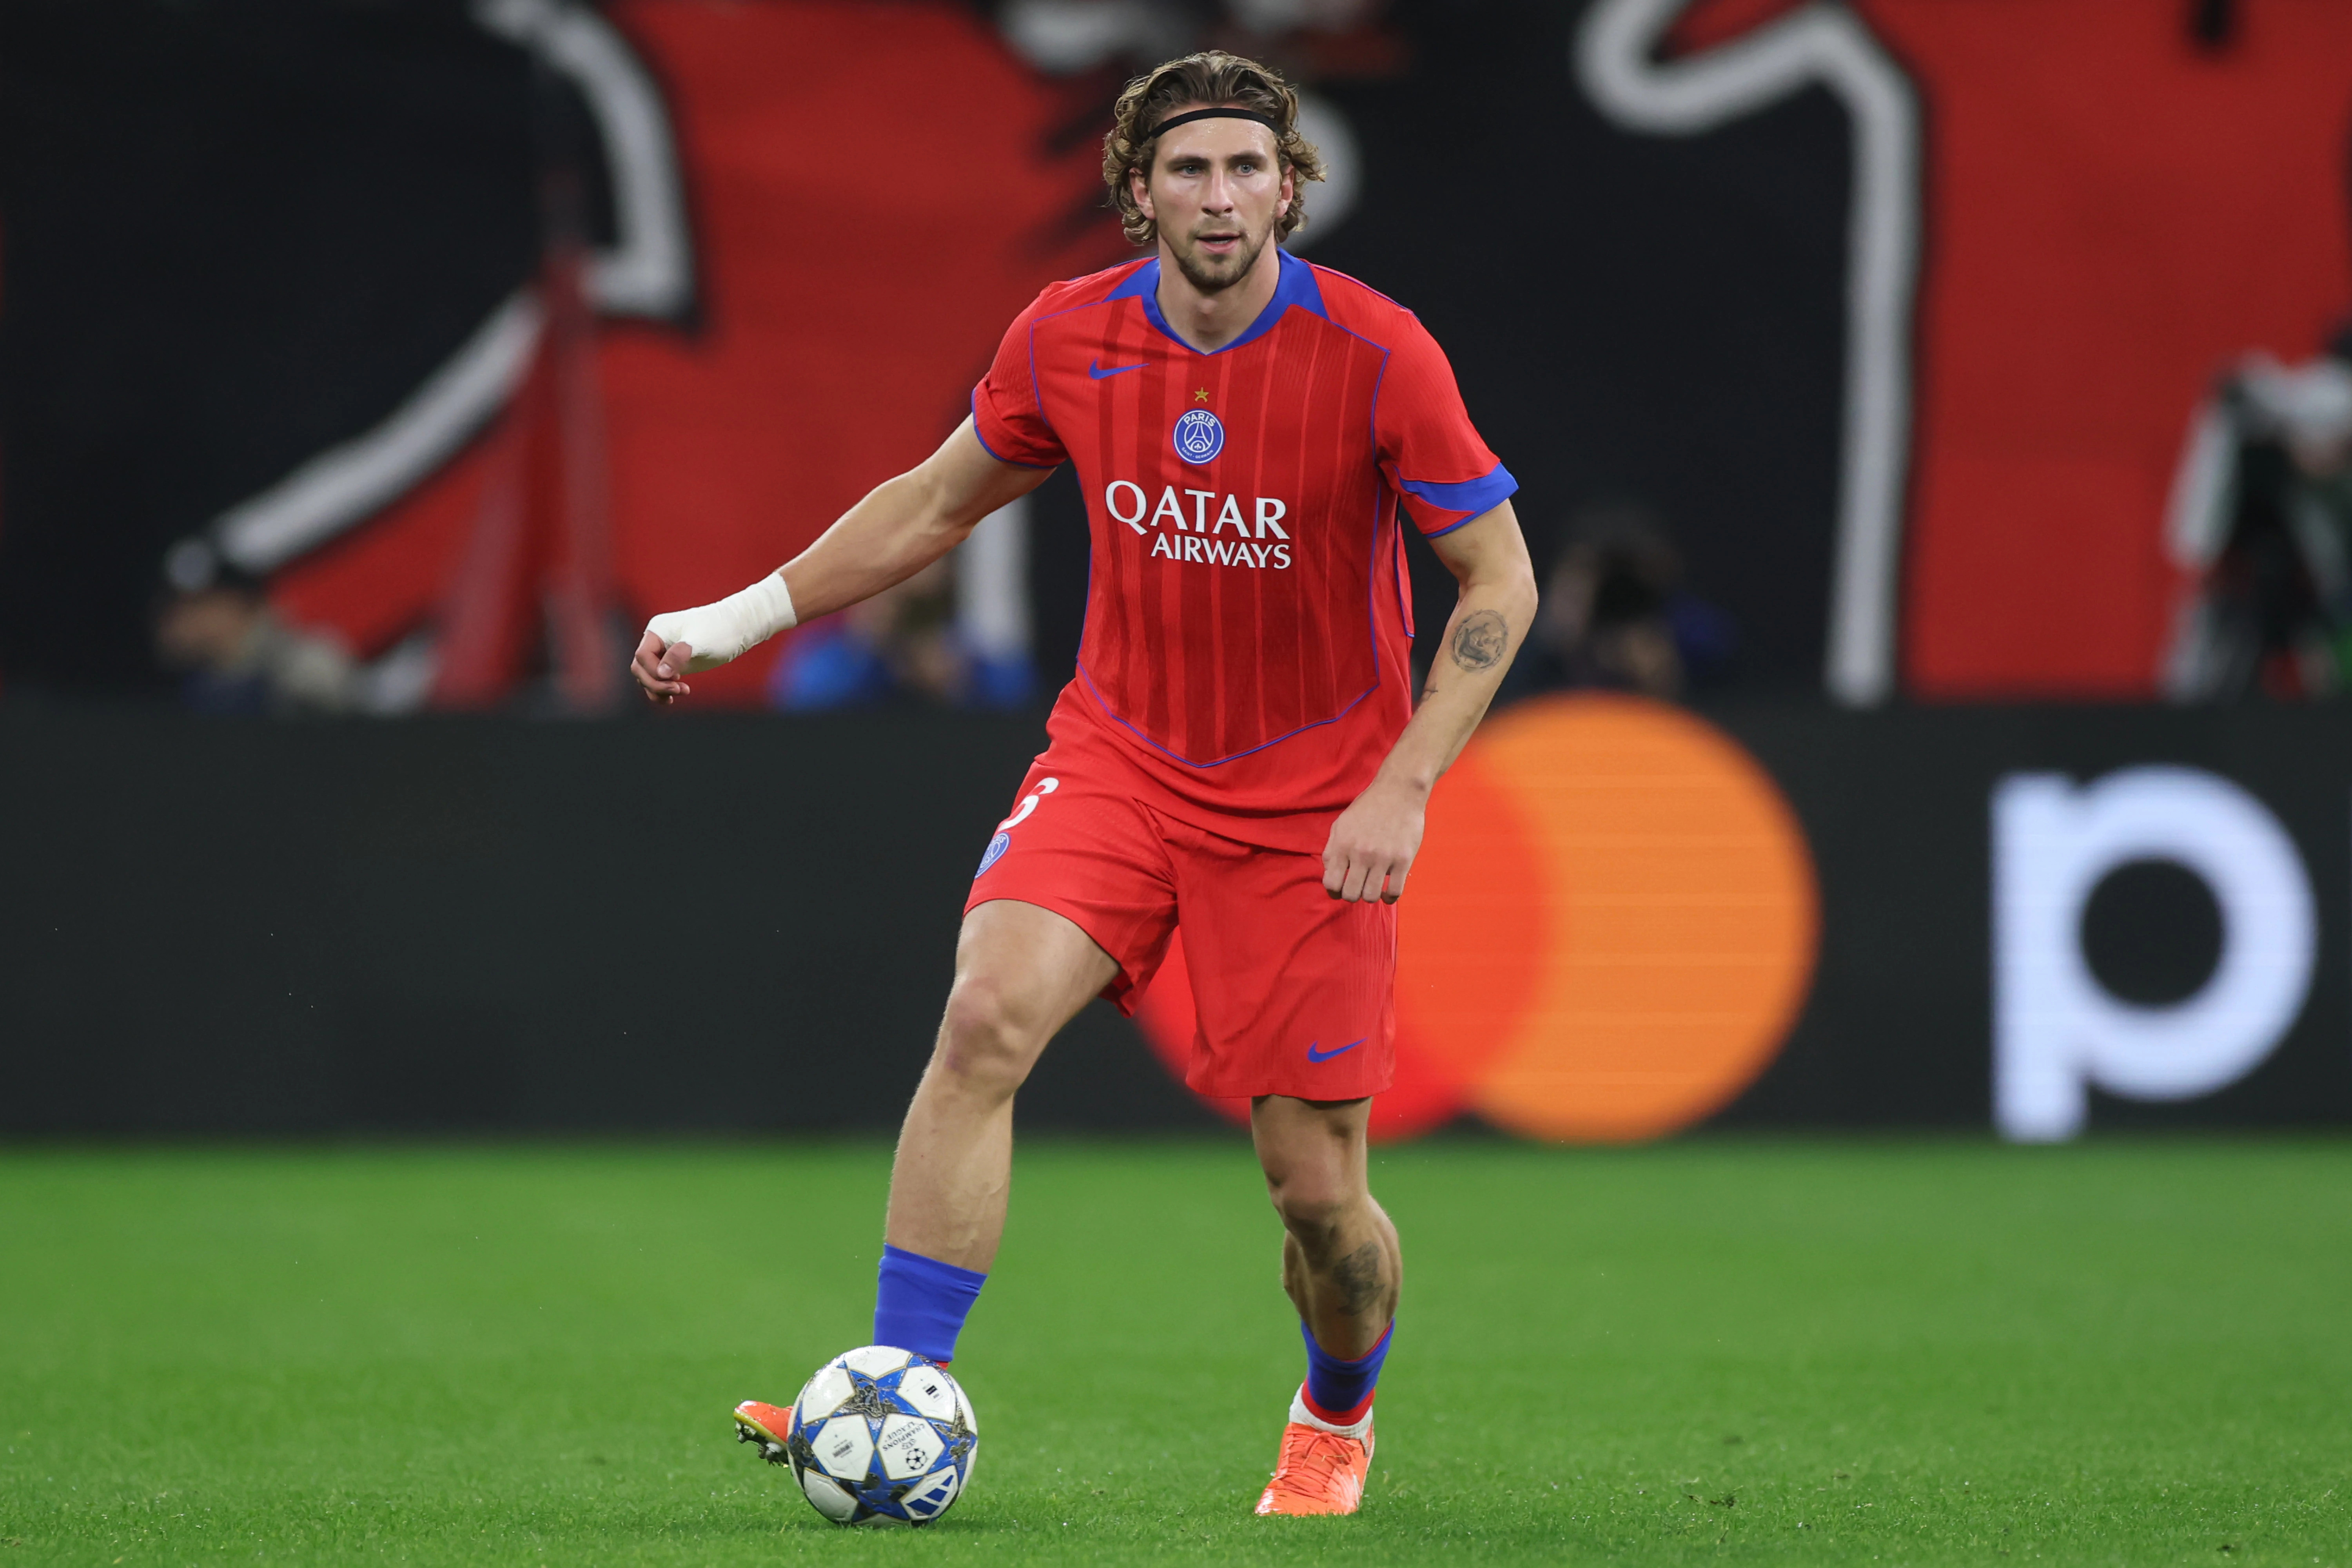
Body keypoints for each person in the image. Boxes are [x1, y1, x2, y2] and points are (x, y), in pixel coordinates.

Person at [629, 51, 1535, 1517]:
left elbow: (1500, 578)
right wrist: (736, 620)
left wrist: (1408, 783)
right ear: (1139, 192)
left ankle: (1335, 1408)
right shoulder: (1069, 334)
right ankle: (891, 1389)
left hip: (1315, 810)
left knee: (1319, 1199)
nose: (1220, 195)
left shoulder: (1378, 352)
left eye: (1247, 167)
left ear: (1288, 190)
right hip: (1121, 762)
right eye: (1190, 169)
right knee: (984, 1015)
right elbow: (935, 502)